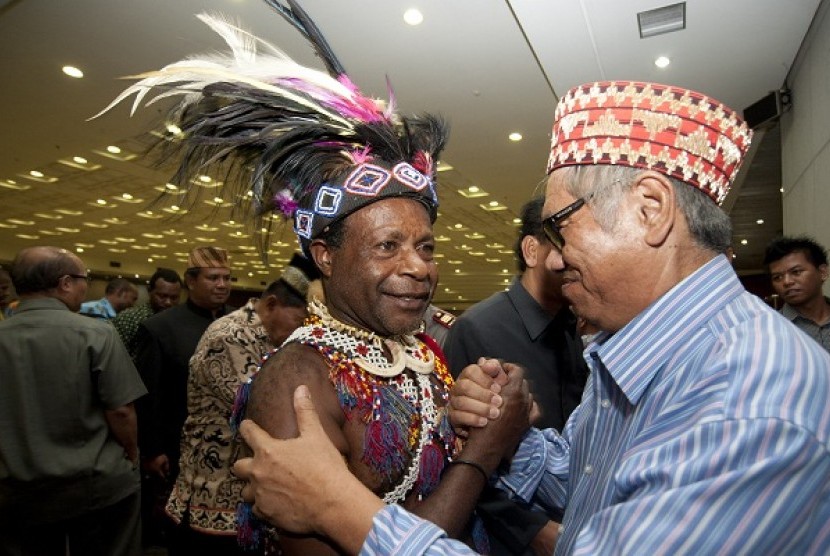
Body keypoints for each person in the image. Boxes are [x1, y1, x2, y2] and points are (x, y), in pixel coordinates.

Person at [233, 81, 830, 555]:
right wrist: (508, 429)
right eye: (388, 247)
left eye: (559, 226)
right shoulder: (651, 351)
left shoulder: (747, 403)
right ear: (325, 257)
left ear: (650, 211)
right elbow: (590, 476)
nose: (551, 256)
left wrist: (340, 507)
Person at [96, 5, 533, 554]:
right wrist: (483, 452)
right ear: (325, 256)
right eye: (387, 246)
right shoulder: (296, 381)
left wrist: (472, 413)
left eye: (425, 246)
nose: (419, 267)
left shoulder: (422, 349)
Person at [444, 196, 588, 555]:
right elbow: (457, 455)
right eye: (564, 244)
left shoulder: (579, 327)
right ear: (531, 250)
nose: (578, 259)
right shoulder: (478, 329)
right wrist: (534, 530)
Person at [165, 254, 318, 556]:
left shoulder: (275, 338)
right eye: (301, 321)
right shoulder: (230, 336)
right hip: (213, 500)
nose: (304, 330)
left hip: (253, 501)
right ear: (272, 304)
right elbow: (261, 412)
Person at [0, 246, 146, 556]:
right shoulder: (96, 333)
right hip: (93, 483)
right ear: (66, 283)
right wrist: (132, 454)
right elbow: (120, 410)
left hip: (14, 487)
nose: (85, 286)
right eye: (84, 279)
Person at [134, 246, 232, 546]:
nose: (222, 285)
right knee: (185, 533)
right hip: (178, 448)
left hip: (229, 450)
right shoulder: (160, 328)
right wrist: (152, 450)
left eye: (227, 278)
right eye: (213, 278)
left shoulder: (237, 325)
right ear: (191, 281)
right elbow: (147, 394)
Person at [763, 235, 830, 352]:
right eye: (777, 277)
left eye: (796, 272)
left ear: (822, 272)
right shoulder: (770, 330)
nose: (787, 282)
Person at [112, 267, 183, 359]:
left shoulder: (181, 322)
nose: (168, 302)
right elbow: (115, 357)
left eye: (174, 298)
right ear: (149, 291)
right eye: (162, 296)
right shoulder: (128, 318)